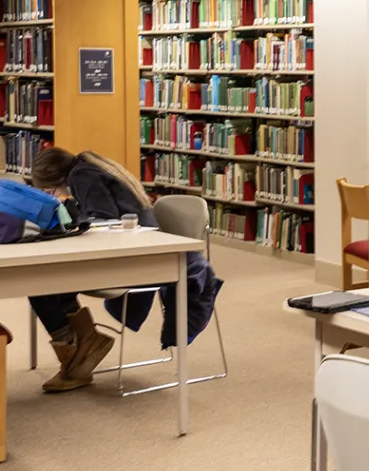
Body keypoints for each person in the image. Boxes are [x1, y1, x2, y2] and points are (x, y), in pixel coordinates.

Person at [24, 148, 224, 393]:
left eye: (46, 189)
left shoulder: (81, 175)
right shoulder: (89, 165)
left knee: (39, 282)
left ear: (53, 179)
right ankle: (82, 348)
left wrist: (70, 221)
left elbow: (103, 220)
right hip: (133, 252)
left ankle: (77, 351)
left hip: (135, 260)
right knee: (47, 279)